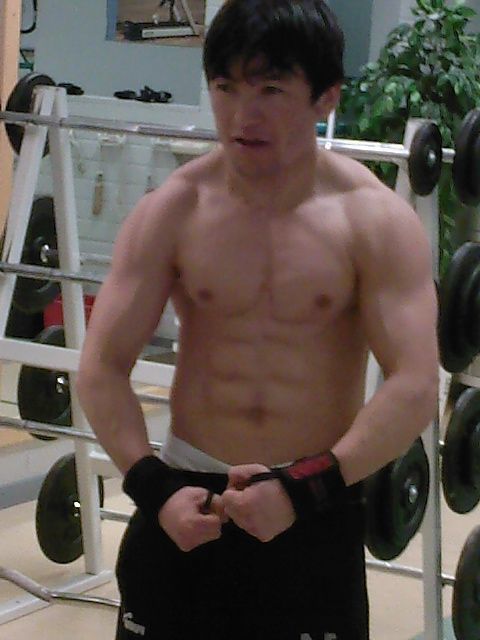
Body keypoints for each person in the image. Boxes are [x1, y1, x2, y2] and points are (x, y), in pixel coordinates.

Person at [77, 0, 438, 638]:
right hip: (186, 505)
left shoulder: (374, 220)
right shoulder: (174, 210)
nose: (244, 114)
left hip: (312, 509)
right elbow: (101, 367)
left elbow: (414, 385)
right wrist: (153, 488)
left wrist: (303, 488)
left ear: (326, 96)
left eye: (271, 89)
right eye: (226, 87)